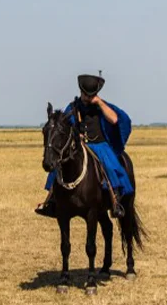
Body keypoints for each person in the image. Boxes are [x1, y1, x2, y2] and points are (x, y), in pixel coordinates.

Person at [35, 74, 133, 218]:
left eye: (90, 95)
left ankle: (115, 202)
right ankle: (51, 201)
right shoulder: (73, 107)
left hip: (100, 146)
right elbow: (64, 125)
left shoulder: (102, 106)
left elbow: (114, 119)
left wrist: (99, 103)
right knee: (58, 167)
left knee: (111, 167)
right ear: (81, 92)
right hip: (79, 146)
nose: (87, 98)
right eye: (85, 95)